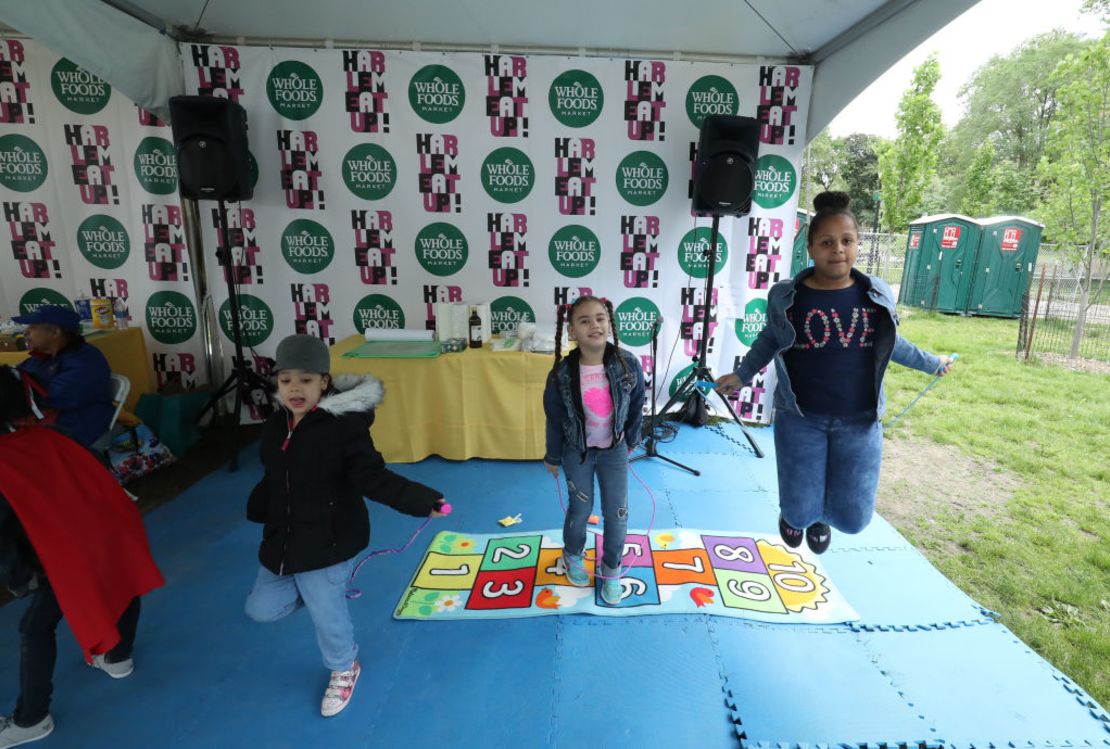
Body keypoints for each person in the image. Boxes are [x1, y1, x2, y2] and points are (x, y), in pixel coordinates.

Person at [716, 191, 954, 555]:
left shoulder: (874, 294)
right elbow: (769, 340)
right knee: (797, 511)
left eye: (847, 241)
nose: (838, 249)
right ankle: (801, 516)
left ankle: (822, 517)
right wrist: (742, 375)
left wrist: (932, 362)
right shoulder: (786, 296)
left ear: (858, 245)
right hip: (801, 418)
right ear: (810, 248)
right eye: (827, 242)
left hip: (859, 421)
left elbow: (895, 344)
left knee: (855, 519)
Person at [245, 335, 449, 718]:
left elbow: (372, 477)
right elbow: (276, 475)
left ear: (324, 381)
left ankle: (344, 666)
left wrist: (420, 499)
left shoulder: (343, 428)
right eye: (286, 380)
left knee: (327, 612)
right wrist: (259, 506)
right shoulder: (276, 426)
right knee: (261, 609)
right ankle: (325, 589)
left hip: (330, 537)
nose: (295, 388)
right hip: (285, 536)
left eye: (305, 380)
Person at [0, 366, 163, 748]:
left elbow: (6, 533)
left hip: (72, 549)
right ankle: (119, 656)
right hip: (111, 527)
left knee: (34, 627)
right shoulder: (47, 436)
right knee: (122, 578)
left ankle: (32, 718)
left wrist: (25, 575)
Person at [543, 296, 646, 605]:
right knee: (580, 508)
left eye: (600, 318)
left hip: (614, 450)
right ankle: (573, 554)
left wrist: (631, 439)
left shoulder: (628, 364)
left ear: (609, 324)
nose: (594, 325)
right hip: (578, 452)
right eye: (584, 320)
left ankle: (611, 567)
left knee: (617, 512)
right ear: (572, 331)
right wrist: (552, 455)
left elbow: (638, 403)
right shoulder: (561, 373)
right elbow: (554, 416)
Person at [12, 305, 113, 447]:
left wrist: (10, 394)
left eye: (33, 327)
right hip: (41, 425)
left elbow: (49, 396)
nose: (26, 332)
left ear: (55, 332)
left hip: (75, 429)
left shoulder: (86, 360)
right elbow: (14, 378)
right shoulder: (40, 357)